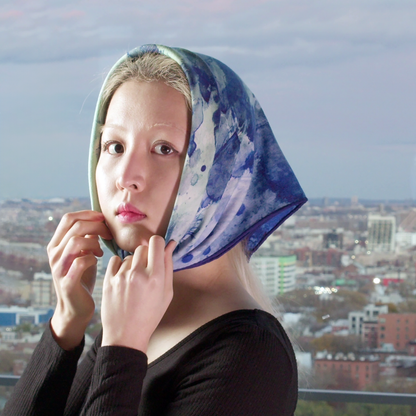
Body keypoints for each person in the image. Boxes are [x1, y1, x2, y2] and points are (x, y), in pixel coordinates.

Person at [3, 45, 307, 416]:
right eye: (114, 146)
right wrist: (67, 322)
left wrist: (123, 348)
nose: (126, 178)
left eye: (163, 149)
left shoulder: (254, 356)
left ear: (223, 173)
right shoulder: (136, 315)